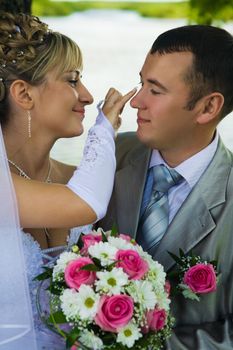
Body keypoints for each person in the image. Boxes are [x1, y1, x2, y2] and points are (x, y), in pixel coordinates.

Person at [0, 12, 135, 349]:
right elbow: (87, 203)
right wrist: (104, 129)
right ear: (24, 94)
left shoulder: (74, 177)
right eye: (73, 80)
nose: (88, 96)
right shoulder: (84, 191)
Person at [98, 25, 233, 349]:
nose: (136, 102)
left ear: (208, 108)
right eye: (142, 82)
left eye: (155, 91)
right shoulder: (109, 155)